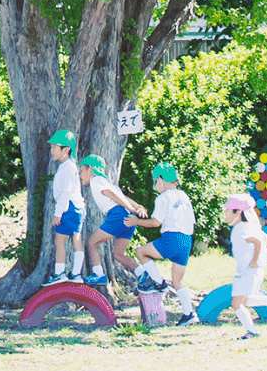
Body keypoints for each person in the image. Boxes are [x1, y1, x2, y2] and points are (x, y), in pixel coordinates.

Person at [127, 163, 200, 325]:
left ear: (161, 180)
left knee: (141, 252)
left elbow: (155, 222)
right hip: (187, 240)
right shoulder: (183, 195)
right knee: (178, 281)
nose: (155, 186)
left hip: (172, 238)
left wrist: (136, 221)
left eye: (155, 182)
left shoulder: (163, 198)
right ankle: (189, 314)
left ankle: (159, 283)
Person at [223, 193, 267, 339]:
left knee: (236, 304)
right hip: (250, 271)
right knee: (244, 301)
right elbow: (265, 237)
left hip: (249, 271)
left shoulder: (241, 228)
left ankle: (252, 331)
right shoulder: (249, 225)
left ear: (238, 212)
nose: (225, 214)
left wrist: (255, 260)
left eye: (227, 211)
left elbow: (257, 241)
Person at [80, 155, 147, 286]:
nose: (80, 175)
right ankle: (143, 274)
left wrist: (130, 208)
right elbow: (124, 197)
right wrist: (137, 206)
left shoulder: (96, 180)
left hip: (117, 215)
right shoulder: (108, 182)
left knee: (92, 242)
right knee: (118, 254)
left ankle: (98, 274)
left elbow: (113, 195)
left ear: (91, 170)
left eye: (82, 171)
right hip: (127, 220)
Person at [45, 129, 86, 285]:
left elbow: (65, 192)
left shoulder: (68, 167)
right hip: (76, 208)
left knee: (59, 240)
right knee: (76, 239)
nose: (52, 151)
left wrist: (58, 213)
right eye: (52, 147)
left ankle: (60, 272)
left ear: (66, 149)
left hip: (69, 208)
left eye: (55, 147)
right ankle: (75, 274)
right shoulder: (67, 165)